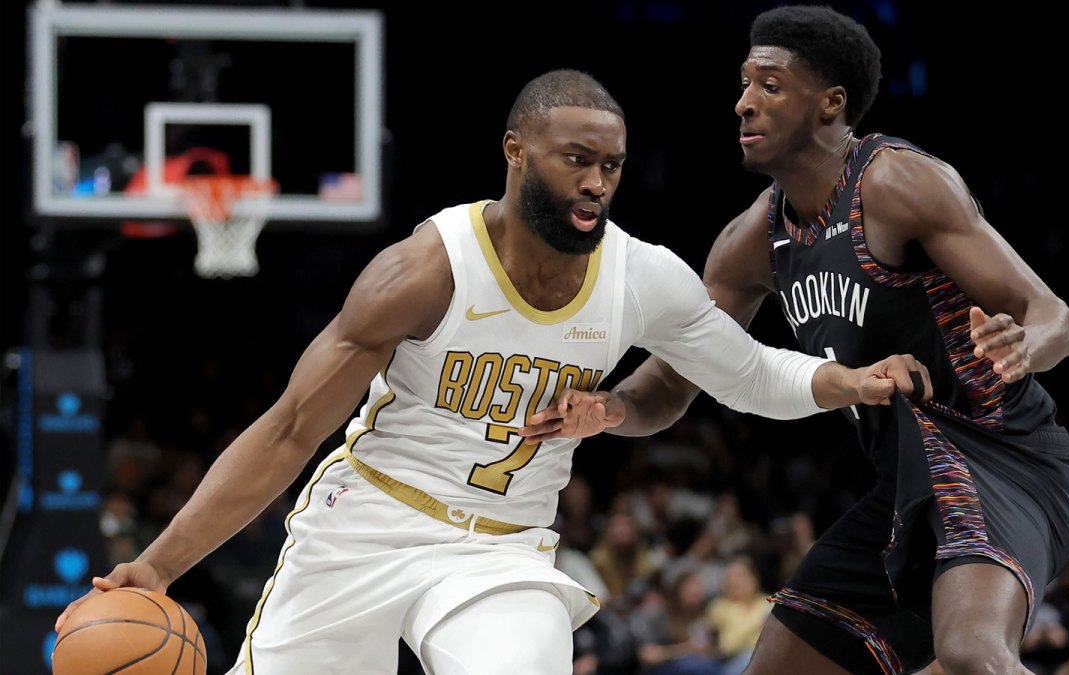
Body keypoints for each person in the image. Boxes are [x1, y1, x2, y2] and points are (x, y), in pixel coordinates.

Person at [55, 68, 932, 675]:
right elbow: (289, 428)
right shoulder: (426, 269)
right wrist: (161, 565)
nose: (597, 184)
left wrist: (838, 382)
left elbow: (742, 372)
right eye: (576, 160)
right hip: (364, 527)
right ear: (516, 151)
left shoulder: (642, 275)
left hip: (499, 551)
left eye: (612, 166)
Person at [519, 6, 1069, 674]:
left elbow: (1055, 316)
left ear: (830, 104)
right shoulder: (750, 242)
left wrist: (1024, 342)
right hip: (905, 489)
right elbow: (672, 381)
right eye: (743, 83)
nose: (742, 103)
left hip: (1002, 463)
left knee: (970, 653)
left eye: (769, 85)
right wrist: (609, 409)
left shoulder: (897, 183)